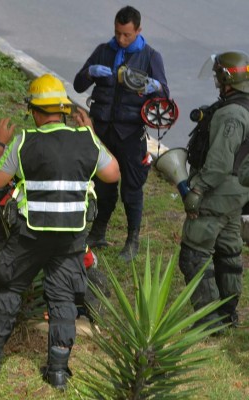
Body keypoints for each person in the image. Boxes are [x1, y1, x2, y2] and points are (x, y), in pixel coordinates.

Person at [0, 74, 120, 390]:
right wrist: (91, 133)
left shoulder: (24, 142)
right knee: (63, 298)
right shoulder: (86, 140)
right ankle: (58, 371)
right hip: (70, 238)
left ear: (35, 112)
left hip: (30, 236)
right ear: (63, 110)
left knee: (9, 287)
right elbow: (112, 173)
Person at [73, 6, 169, 262]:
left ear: (138, 30)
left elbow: (164, 99)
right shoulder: (105, 51)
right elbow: (78, 83)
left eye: (126, 35)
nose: (121, 39)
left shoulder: (150, 57)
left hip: (130, 133)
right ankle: (99, 231)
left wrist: (154, 87)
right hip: (103, 130)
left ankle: (132, 239)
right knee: (102, 184)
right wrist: (90, 72)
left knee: (132, 188)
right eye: (117, 33)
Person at [180, 51, 249, 331]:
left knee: (194, 254)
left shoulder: (231, 113)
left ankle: (210, 320)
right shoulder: (244, 105)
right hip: (236, 195)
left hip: (218, 192)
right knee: (228, 252)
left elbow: (220, 161)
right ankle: (228, 314)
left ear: (226, 78)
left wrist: (197, 188)